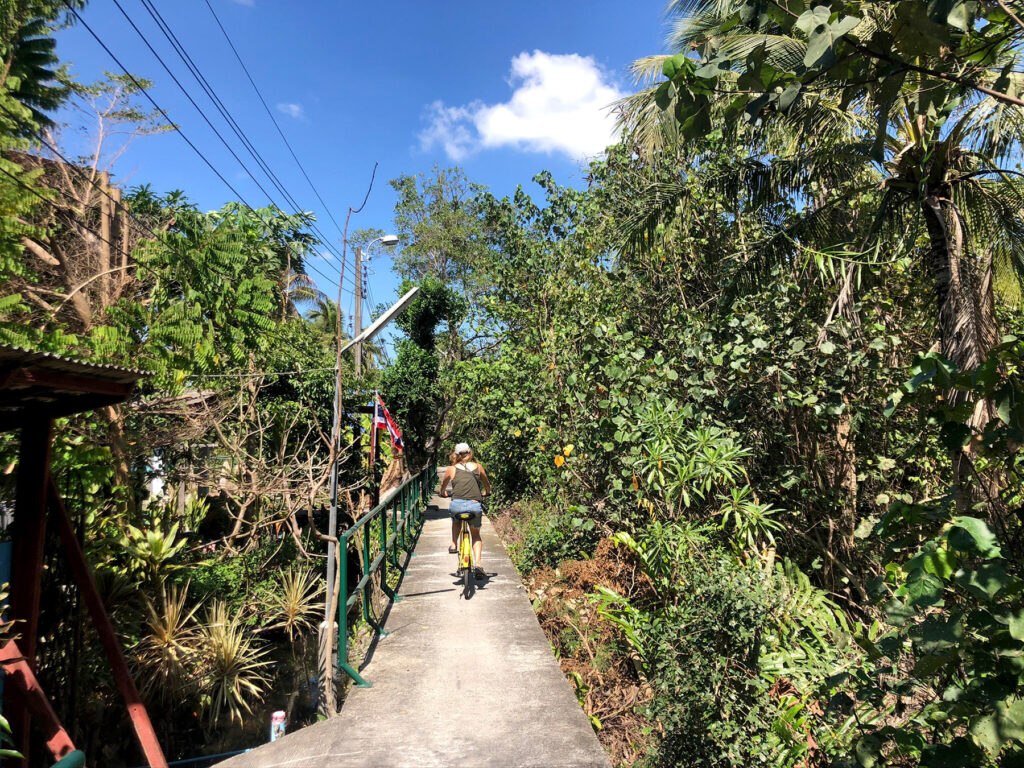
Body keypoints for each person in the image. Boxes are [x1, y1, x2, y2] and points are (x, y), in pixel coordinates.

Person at [438, 442, 491, 579]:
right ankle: (478, 564)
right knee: (476, 534)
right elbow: (486, 483)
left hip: (457, 505)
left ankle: (454, 543)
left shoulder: (452, 469)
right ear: (470, 452)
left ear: (456, 455)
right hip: (474, 506)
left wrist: (443, 492)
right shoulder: (478, 467)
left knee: (456, 521)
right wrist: (487, 492)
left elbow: (443, 485)